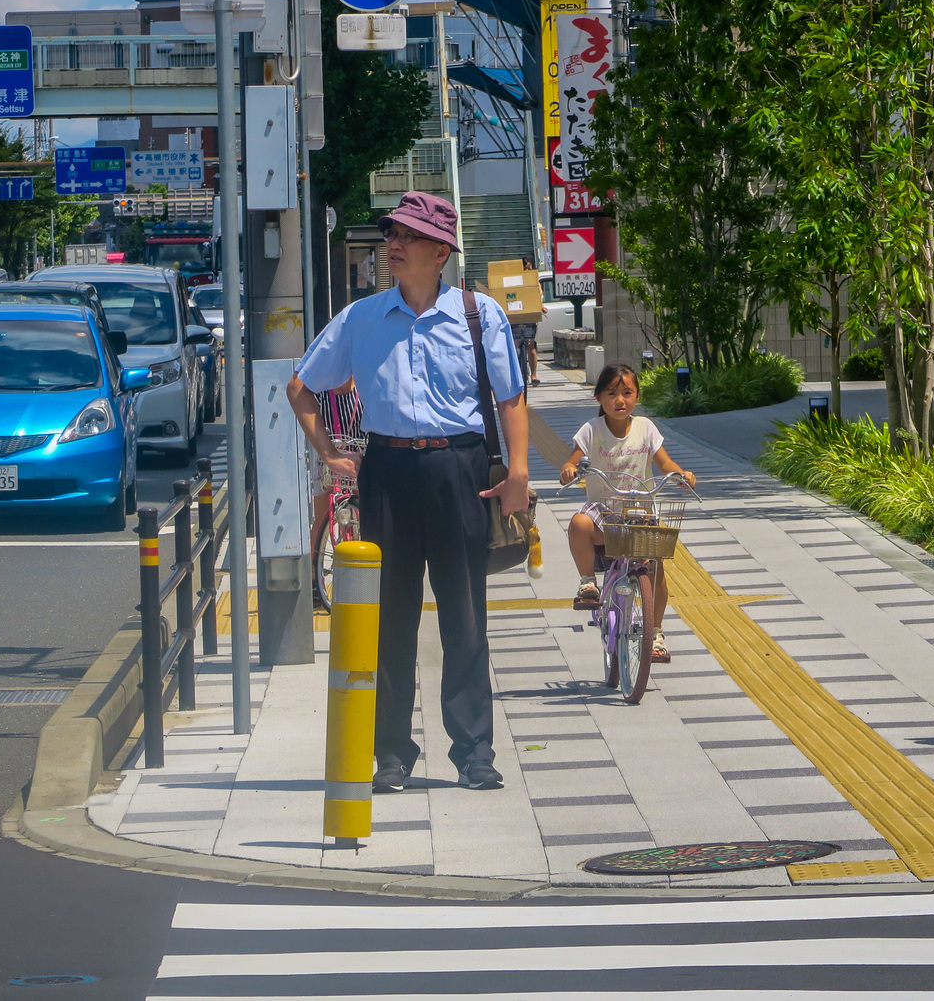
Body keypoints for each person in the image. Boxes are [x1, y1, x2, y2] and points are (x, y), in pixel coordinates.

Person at [287, 192, 529, 794]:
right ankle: (390, 753)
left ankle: (474, 753)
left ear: (441, 250)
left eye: (409, 236)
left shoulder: (479, 314)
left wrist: (518, 473)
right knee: (388, 619)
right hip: (387, 473)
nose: (393, 244)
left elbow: (509, 396)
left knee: (465, 616)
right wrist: (330, 454)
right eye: (392, 232)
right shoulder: (361, 318)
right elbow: (301, 388)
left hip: (461, 470)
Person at [557, 362, 696, 664]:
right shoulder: (591, 430)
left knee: (656, 571)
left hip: (640, 510)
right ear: (598, 398)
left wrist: (680, 473)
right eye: (611, 393)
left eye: (627, 393)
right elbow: (573, 461)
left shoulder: (646, 428)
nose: (620, 400)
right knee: (579, 524)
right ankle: (587, 582)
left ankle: (655, 631)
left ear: (637, 396)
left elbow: (664, 463)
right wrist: (569, 470)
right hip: (604, 511)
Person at [306, 377, 362, 611]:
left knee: (362, 513)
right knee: (321, 519)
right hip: (328, 460)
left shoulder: (362, 390)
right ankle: (313, 581)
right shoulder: (320, 393)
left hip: (358, 457)